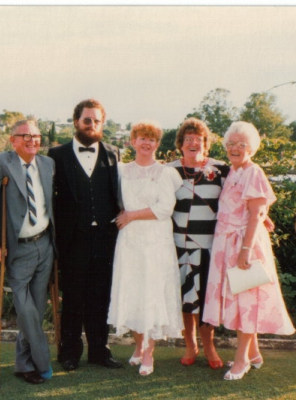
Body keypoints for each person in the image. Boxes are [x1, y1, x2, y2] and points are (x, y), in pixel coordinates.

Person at [203, 121, 295, 380]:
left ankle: (242, 360)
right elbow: (256, 209)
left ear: (251, 148)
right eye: (231, 143)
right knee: (239, 301)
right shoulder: (234, 171)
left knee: (246, 303)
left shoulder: (253, 171)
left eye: (241, 144)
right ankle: (254, 354)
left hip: (244, 245)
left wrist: (245, 250)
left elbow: (255, 213)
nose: (235, 148)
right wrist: (262, 215)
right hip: (227, 244)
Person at [48, 99, 123, 371]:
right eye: (87, 120)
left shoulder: (113, 154)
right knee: (74, 298)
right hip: (72, 240)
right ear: (76, 121)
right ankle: (69, 353)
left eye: (97, 121)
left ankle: (99, 351)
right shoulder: (56, 156)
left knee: (100, 297)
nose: (92, 125)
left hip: (105, 239)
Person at [108, 121, 183, 376]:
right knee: (134, 291)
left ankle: (149, 352)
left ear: (157, 144)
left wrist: (131, 215)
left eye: (151, 139)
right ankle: (139, 346)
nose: (146, 143)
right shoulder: (121, 171)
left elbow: (164, 208)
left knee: (151, 292)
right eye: (142, 138)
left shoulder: (165, 173)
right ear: (133, 141)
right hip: (129, 242)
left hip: (155, 242)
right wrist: (124, 217)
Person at [0, 120, 56, 385]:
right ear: (12, 140)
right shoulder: (0, 162)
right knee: (26, 310)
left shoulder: (48, 165)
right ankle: (42, 359)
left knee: (37, 308)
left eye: (36, 135)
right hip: (16, 249)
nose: (31, 140)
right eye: (24, 135)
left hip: (44, 245)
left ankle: (23, 364)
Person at [167, 118, 229, 370]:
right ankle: (190, 345)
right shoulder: (169, 170)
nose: (193, 143)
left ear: (206, 144)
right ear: (180, 144)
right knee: (185, 298)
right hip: (178, 245)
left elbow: (238, 197)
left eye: (199, 139)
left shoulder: (221, 169)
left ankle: (209, 345)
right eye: (188, 139)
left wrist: (262, 214)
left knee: (206, 298)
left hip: (209, 246)